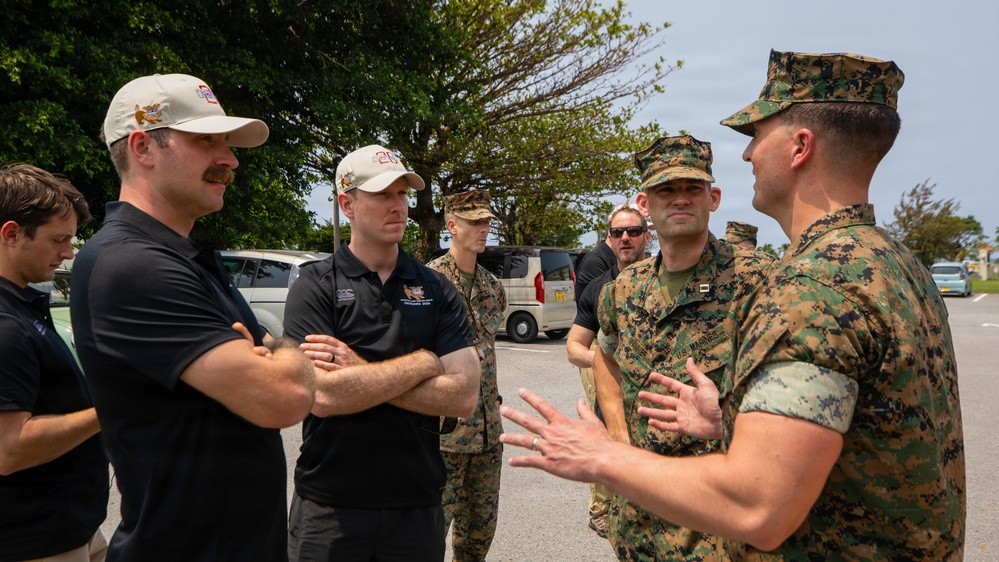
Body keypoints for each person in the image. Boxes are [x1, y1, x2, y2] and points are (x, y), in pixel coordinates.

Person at [499, 50, 966, 560]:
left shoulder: (809, 287)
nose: (747, 155)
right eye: (665, 190)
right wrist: (729, 418)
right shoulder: (893, 262)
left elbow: (757, 508)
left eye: (757, 135)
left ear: (800, 147)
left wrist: (602, 458)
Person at [71, 73, 317, 561]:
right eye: (206, 140)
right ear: (143, 147)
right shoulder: (131, 265)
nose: (230, 158)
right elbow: (284, 397)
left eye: (227, 143)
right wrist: (288, 351)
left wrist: (272, 354)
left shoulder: (179, 258)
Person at [283, 144, 480, 562]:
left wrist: (358, 370)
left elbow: (463, 396)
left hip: (416, 506)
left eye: (402, 193)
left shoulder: (436, 288)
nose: (398, 205)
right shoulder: (315, 285)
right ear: (347, 204)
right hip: (330, 507)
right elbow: (323, 396)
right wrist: (424, 363)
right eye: (382, 194)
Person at [592, 135, 773, 561]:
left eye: (693, 188)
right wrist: (617, 435)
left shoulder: (759, 280)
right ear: (644, 204)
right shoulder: (623, 288)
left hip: (716, 524)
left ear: (714, 198)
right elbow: (604, 354)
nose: (680, 199)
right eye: (665, 190)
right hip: (638, 519)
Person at [0, 164, 108, 562]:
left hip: (74, 528)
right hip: (37, 542)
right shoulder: (5, 325)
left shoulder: (21, 304)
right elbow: (10, 449)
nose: (68, 253)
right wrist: (110, 409)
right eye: (58, 240)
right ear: (12, 233)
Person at [427, 189, 507, 562]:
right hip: (445, 436)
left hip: (488, 433)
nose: (483, 228)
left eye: (486, 221)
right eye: (474, 221)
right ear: (452, 225)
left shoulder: (493, 286)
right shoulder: (429, 282)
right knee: (429, 533)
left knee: (478, 535)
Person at [564, 202, 650, 539]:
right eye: (618, 232)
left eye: (633, 231)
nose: (625, 238)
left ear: (647, 237)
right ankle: (603, 511)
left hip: (654, 387)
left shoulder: (666, 279)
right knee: (607, 438)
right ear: (610, 239)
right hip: (611, 383)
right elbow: (574, 346)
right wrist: (602, 362)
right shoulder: (599, 288)